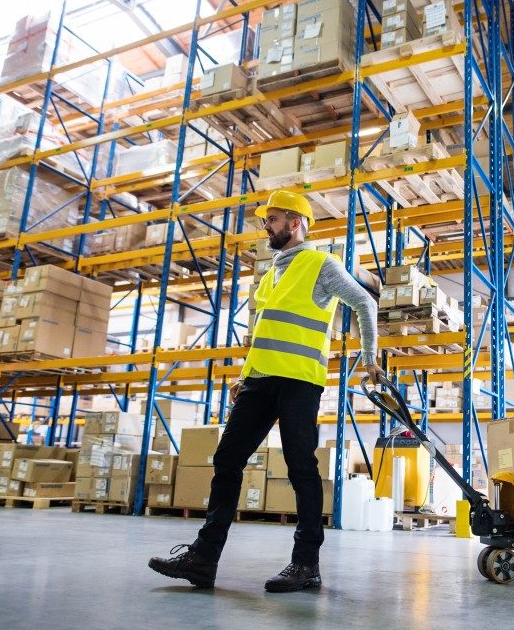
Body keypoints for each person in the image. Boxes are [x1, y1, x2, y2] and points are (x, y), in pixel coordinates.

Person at [149, 189, 384, 592]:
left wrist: (368, 356)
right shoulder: (271, 273)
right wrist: (245, 375)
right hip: (259, 382)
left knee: (300, 468)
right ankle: (203, 558)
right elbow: (262, 334)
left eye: (272, 219)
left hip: (299, 382)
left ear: (295, 223)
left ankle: (305, 563)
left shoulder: (320, 263)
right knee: (227, 459)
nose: (266, 227)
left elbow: (365, 303)